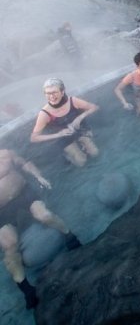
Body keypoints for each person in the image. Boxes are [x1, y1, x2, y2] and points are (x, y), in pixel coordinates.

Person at [0, 149, 81, 309]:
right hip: (2, 210)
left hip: (23, 193)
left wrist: (38, 176)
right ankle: (26, 289)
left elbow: (24, 163)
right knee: (9, 245)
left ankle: (70, 237)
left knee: (44, 215)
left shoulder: (4, 154)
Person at [30, 78, 99, 167]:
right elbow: (34, 138)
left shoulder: (73, 101)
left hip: (79, 130)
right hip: (62, 138)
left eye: (54, 92)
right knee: (82, 161)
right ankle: (68, 157)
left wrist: (79, 118)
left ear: (62, 92)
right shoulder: (45, 114)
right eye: (48, 93)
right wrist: (59, 134)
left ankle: (84, 144)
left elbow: (94, 107)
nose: (51, 96)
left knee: (95, 153)